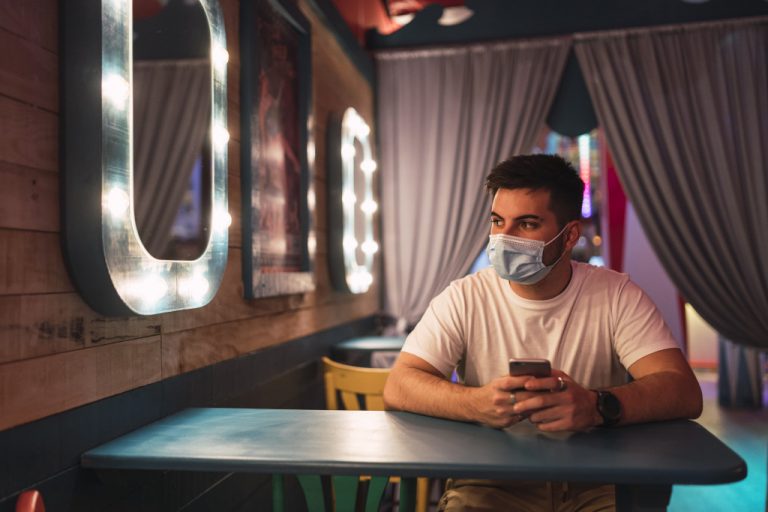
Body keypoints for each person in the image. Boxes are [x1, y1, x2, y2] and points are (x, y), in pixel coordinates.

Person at [382, 154, 703, 511]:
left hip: (597, 481)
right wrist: (475, 403)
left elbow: (684, 391)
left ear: (569, 237)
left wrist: (597, 406)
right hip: (489, 479)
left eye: (527, 224)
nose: (503, 238)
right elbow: (399, 384)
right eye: (497, 221)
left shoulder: (615, 294)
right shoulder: (464, 297)